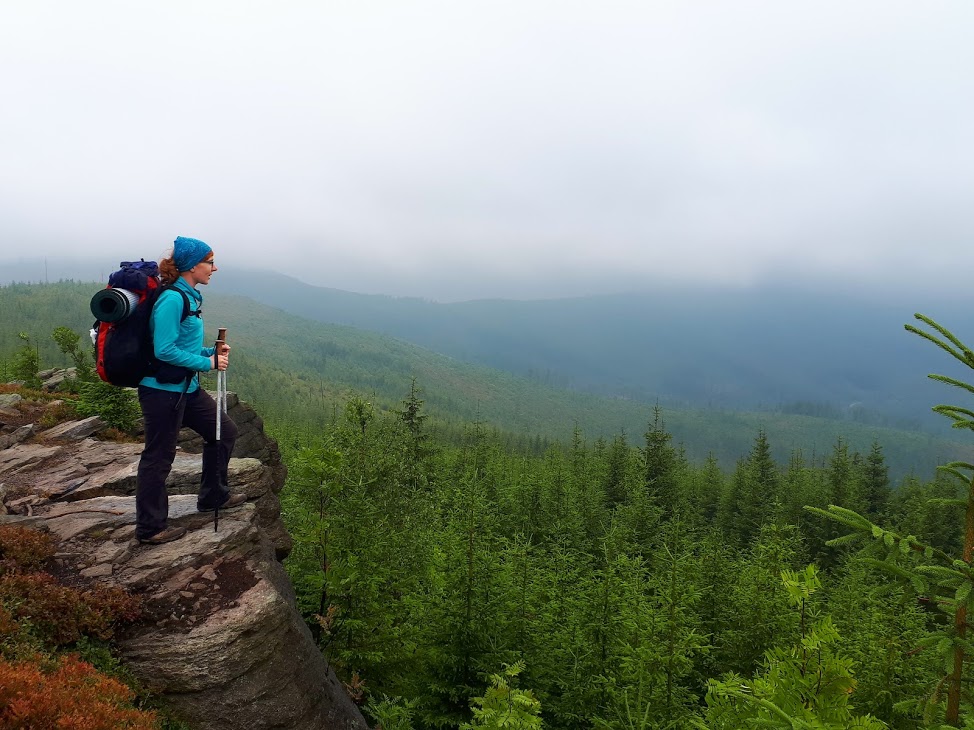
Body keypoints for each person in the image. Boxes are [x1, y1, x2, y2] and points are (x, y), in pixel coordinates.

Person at [135, 236, 245, 545]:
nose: (214, 268)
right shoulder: (173, 299)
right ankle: (150, 528)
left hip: (186, 386)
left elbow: (186, 346)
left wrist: (211, 351)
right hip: (162, 390)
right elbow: (164, 349)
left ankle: (213, 497)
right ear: (193, 266)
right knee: (158, 457)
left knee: (224, 431)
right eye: (210, 263)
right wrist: (208, 363)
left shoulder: (189, 296)